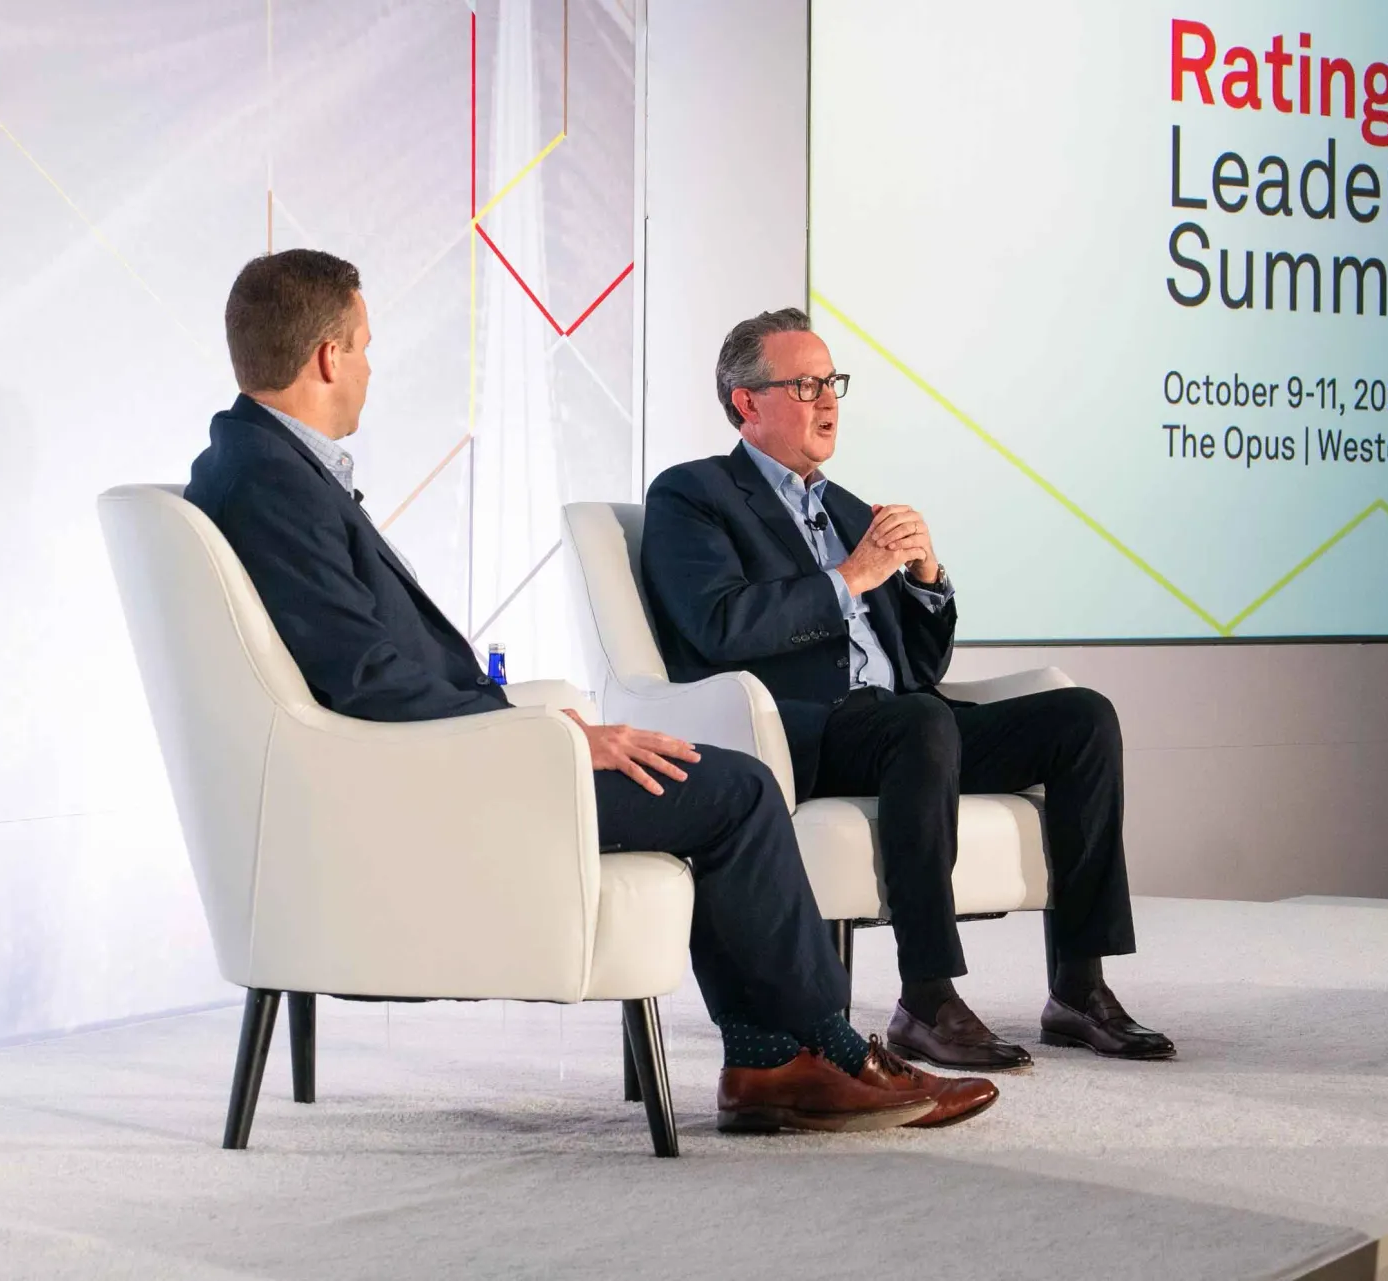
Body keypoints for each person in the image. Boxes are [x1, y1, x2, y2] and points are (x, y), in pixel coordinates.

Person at [181, 250, 999, 1133]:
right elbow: (368, 680)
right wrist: (550, 738)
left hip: (451, 752)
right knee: (735, 790)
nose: (372, 367)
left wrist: (530, 720)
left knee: (721, 782)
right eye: (366, 346)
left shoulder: (258, 465)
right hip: (437, 773)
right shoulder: (272, 482)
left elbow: (362, 666)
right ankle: (816, 1055)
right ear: (328, 356)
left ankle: (773, 1063)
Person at [639, 307, 1176, 1071]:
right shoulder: (694, 495)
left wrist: (927, 577)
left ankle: (1079, 988)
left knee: (1082, 718)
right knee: (919, 722)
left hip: (904, 722)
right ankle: (926, 995)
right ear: (746, 402)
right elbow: (719, 625)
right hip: (798, 729)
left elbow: (921, 667)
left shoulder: (849, 509)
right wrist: (849, 577)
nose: (828, 401)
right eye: (806, 385)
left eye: (833, 382)